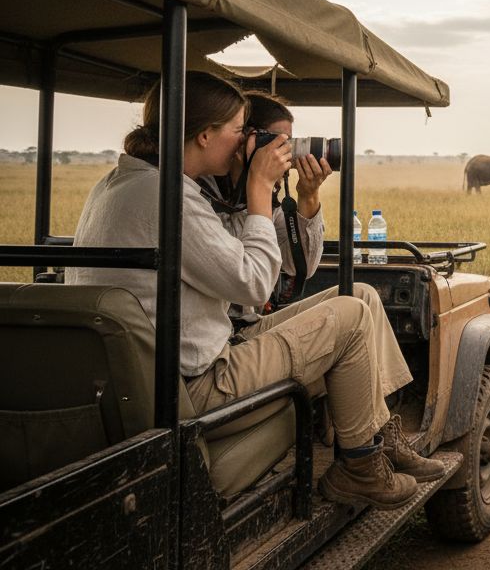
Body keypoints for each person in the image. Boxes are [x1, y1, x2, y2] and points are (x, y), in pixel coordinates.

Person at [68, 72, 443, 510]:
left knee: (358, 295)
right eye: (238, 131)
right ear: (206, 136)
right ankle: (359, 467)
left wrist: (292, 199)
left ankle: (377, 437)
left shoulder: (127, 183)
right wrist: (261, 189)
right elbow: (254, 280)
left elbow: (284, 263)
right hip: (199, 383)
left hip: (179, 365)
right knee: (353, 316)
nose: (246, 143)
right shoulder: (169, 197)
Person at [200, 92, 330, 322]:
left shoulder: (268, 198)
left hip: (252, 322)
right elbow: (250, 285)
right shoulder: (200, 193)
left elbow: (301, 267)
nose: (285, 153)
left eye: (288, 142)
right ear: (246, 140)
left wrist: (308, 196)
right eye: (277, 141)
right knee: (354, 309)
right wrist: (259, 183)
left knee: (361, 296)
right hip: (223, 330)